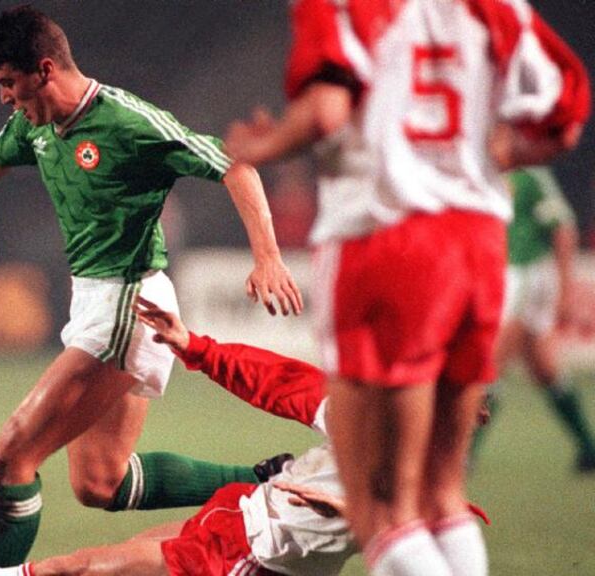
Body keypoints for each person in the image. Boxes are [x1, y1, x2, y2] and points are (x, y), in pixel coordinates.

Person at [0, 5, 303, 568]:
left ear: (44, 69)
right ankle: (270, 479)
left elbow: (235, 165)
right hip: (93, 300)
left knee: (11, 455)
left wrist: (267, 257)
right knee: (101, 482)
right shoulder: (37, 122)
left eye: (8, 83)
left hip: (130, 303)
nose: (3, 97)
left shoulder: (126, 122)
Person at [225, 2, 589, 575]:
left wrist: (264, 146)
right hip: (476, 246)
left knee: (381, 507)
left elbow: (325, 112)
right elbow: (563, 117)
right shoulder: (497, 8)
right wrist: (489, 156)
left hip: (384, 241)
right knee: (443, 492)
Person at [0, 297, 492, 576]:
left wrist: (356, 513)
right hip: (240, 518)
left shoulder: (425, 489)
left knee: (74, 569)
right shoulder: (365, 414)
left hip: (248, 561)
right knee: (84, 562)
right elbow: (277, 381)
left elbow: (428, 528)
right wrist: (193, 345)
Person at [474, 166, 595, 471]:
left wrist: (565, 289)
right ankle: (589, 447)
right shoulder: (481, 165)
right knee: (542, 367)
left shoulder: (531, 173)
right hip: (505, 273)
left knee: (492, 362)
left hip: (527, 273)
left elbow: (564, 228)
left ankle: (465, 454)